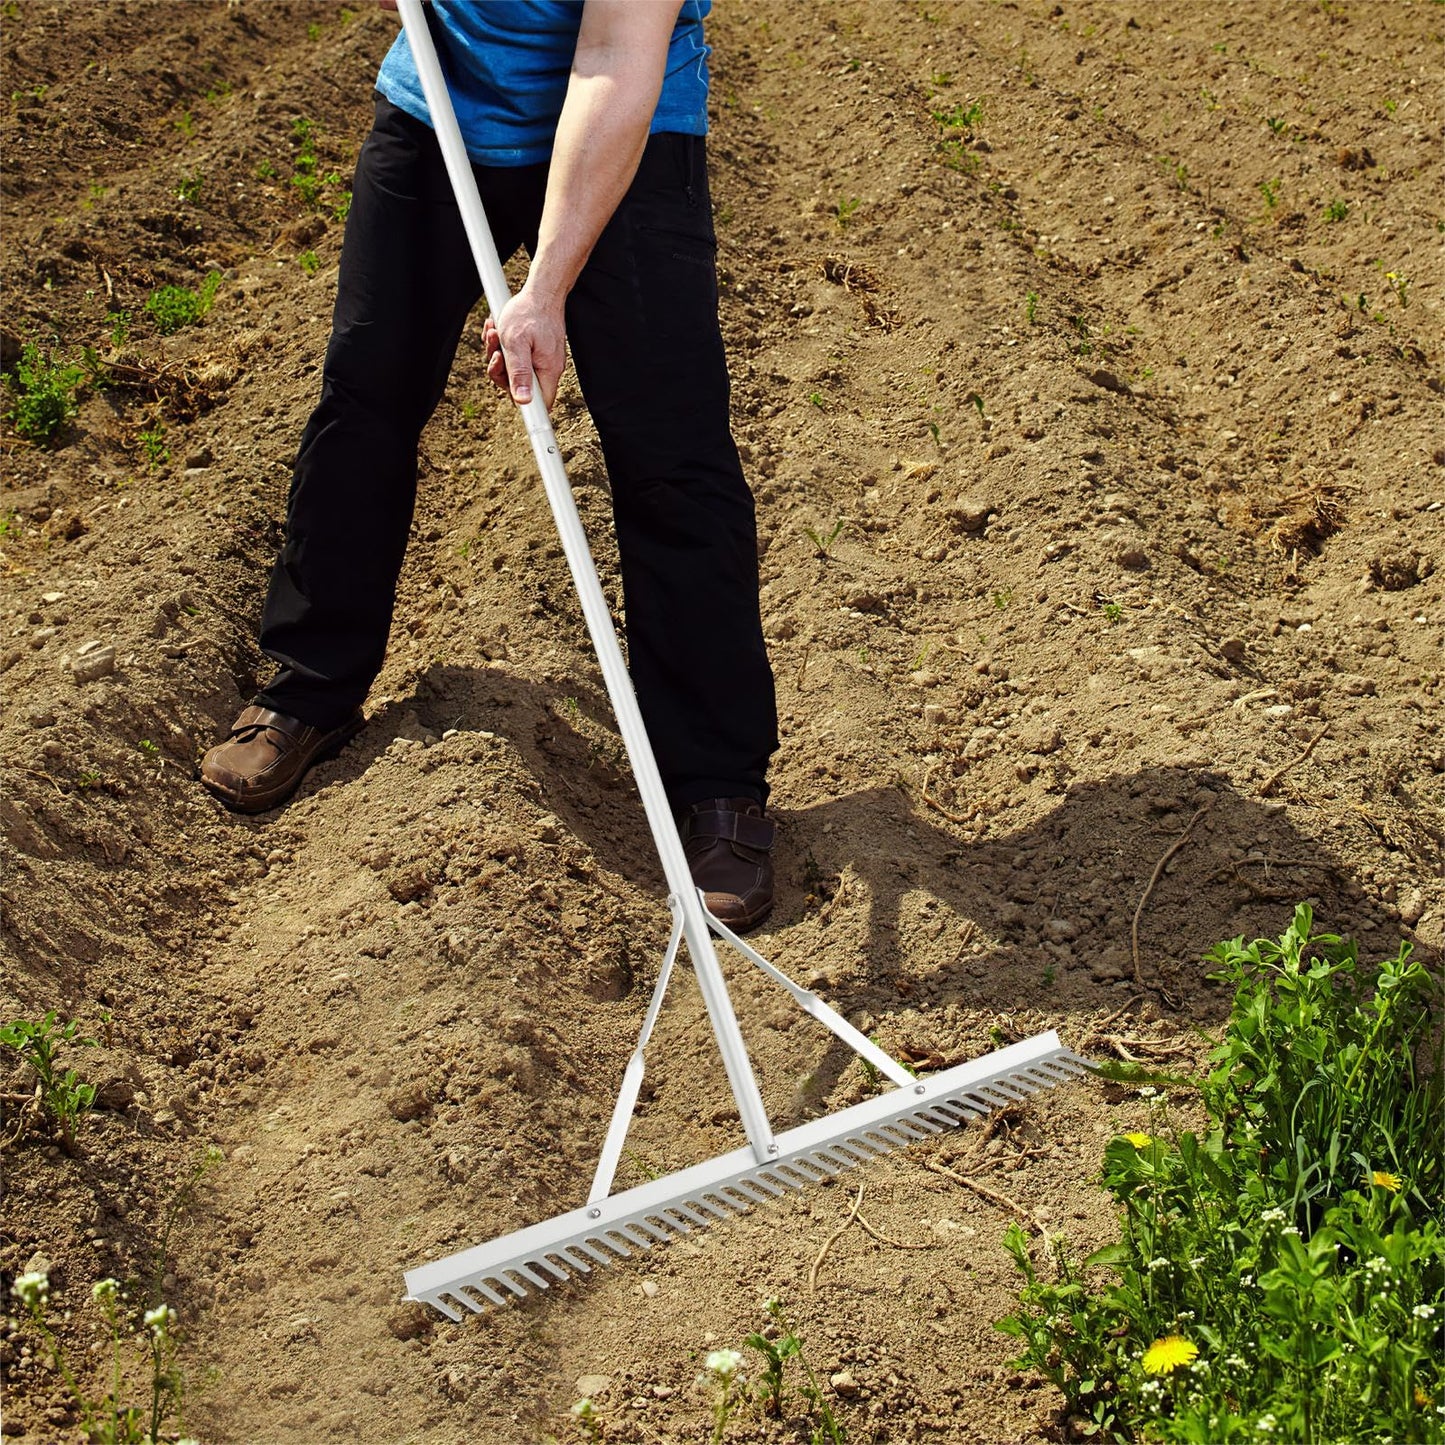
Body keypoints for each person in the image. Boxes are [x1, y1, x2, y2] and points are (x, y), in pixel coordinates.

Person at [200, 0, 779, 930]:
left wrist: (542, 291)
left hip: (620, 128)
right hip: (440, 109)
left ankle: (717, 783)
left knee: (672, 452)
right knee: (365, 403)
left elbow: (612, 59)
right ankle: (308, 688)